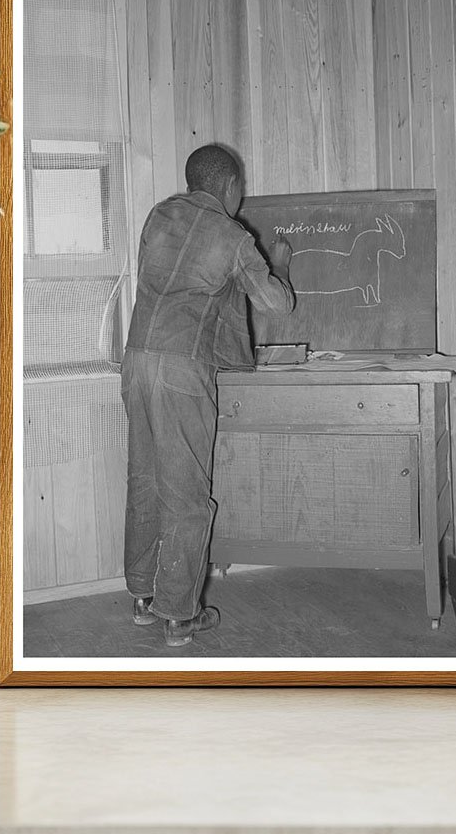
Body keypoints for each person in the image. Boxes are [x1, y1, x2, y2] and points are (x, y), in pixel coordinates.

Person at [121, 144, 294, 647]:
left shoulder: (159, 216)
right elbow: (276, 305)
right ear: (231, 187)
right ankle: (179, 615)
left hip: (136, 361)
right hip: (180, 370)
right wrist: (278, 264)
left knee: (144, 481)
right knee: (187, 495)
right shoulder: (232, 235)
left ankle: (141, 597)